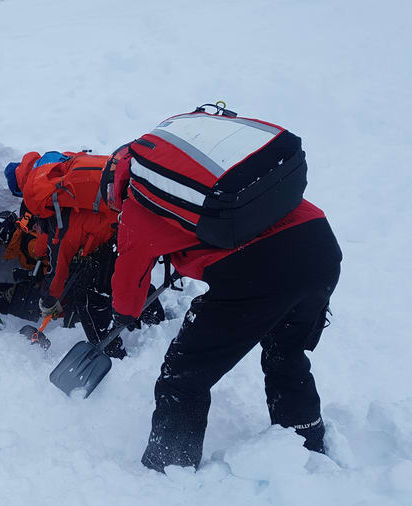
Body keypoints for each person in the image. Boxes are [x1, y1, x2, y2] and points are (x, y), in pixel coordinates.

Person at [110, 120, 342, 473]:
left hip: (261, 271)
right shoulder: (200, 179)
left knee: (185, 372)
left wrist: (124, 314)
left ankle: (169, 467)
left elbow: (130, 278)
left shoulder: (139, 207)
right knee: (286, 350)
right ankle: (306, 441)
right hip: (320, 247)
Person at [7, 152, 164, 358]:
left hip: (124, 229)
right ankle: (159, 324)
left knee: (89, 295)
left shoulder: (55, 217)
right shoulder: (60, 170)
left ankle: (111, 354)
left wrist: (48, 302)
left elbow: (58, 267)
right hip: (134, 214)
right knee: (130, 277)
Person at [0, 209, 50, 322]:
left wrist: (29, 274)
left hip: (49, 289)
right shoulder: (24, 237)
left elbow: (53, 266)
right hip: (42, 284)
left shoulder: (30, 244)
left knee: (12, 299)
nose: (3, 246)